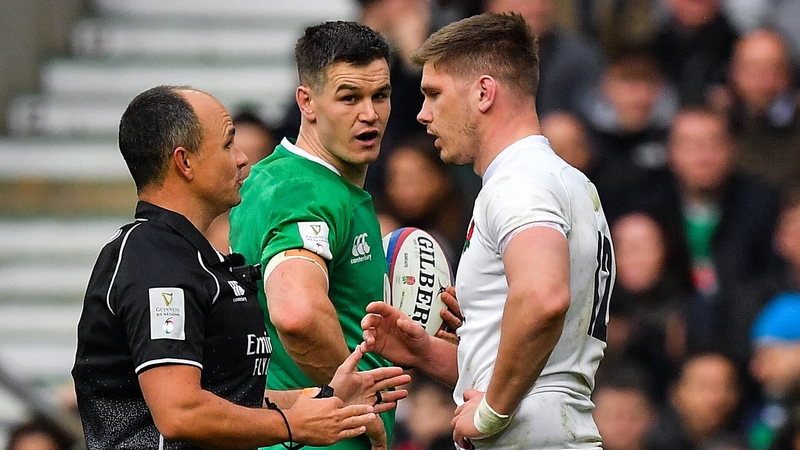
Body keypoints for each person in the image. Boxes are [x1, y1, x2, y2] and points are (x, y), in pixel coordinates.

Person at [72, 85, 409, 450]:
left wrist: (325, 398)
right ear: (184, 162)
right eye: (228, 144)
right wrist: (291, 425)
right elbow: (180, 413)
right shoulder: (154, 263)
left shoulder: (197, 258)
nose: (244, 158)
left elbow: (230, 399)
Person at [361, 12, 616, 449]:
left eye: (434, 94)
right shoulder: (569, 181)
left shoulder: (519, 182)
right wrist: (424, 352)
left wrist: (491, 412)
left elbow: (543, 299)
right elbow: (543, 358)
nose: (423, 114)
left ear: (484, 92)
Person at [229, 21, 410, 450]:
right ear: (306, 101)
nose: (369, 113)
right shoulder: (307, 193)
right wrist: (361, 406)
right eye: (349, 98)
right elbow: (297, 313)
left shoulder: (272, 177)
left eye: (380, 96)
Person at [206, 109, 276, 253]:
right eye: (234, 152)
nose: (246, 165)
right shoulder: (194, 226)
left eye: (258, 155)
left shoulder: (277, 228)